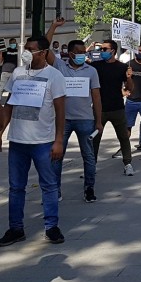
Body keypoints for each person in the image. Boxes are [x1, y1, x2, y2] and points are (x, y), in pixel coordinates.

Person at [0, 36, 67, 246]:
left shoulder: (54, 76)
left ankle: (51, 227)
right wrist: (0, 132)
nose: (26, 52)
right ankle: (15, 228)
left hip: (43, 141)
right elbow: (9, 104)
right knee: (16, 187)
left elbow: (61, 110)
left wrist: (59, 140)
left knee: (49, 185)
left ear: (43, 53)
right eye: (26, 48)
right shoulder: (17, 73)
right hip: (18, 141)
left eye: (31, 49)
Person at [48, 39, 103, 203]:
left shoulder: (91, 71)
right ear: (70, 53)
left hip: (85, 119)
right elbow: (45, 47)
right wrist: (54, 26)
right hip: (63, 120)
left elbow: (96, 96)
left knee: (88, 156)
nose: (81, 55)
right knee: (57, 156)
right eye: (78, 52)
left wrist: (98, 121)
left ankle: (89, 188)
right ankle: (55, 190)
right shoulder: (60, 67)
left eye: (83, 52)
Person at [89, 40, 135, 176]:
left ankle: (128, 163)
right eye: (101, 49)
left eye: (104, 49)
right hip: (99, 109)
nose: (102, 51)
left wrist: (129, 78)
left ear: (113, 51)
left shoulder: (122, 67)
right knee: (94, 139)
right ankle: (91, 166)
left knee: (123, 137)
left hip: (117, 108)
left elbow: (129, 88)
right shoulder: (95, 66)